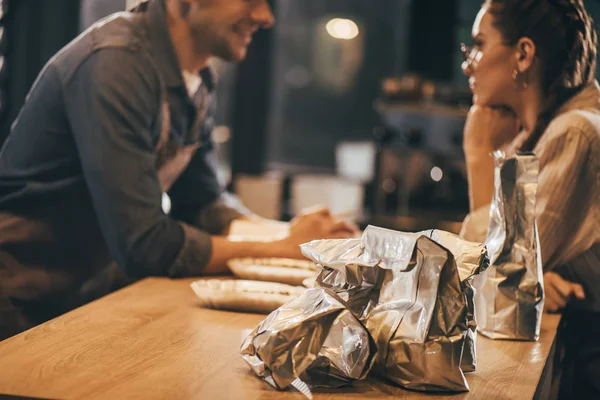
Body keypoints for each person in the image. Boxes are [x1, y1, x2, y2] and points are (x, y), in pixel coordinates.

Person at [0, 0, 357, 341]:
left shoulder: (196, 78)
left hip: (77, 297)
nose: (265, 17)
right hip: (17, 300)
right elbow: (145, 246)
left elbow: (203, 206)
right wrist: (283, 247)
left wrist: (304, 240)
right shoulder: (115, 63)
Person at [459, 0, 600, 398]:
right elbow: (513, 273)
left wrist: (478, 152)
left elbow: (492, 274)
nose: (469, 64)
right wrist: (535, 277)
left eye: (479, 45)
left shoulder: (575, 132)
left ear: (523, 53)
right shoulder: (547, 130)